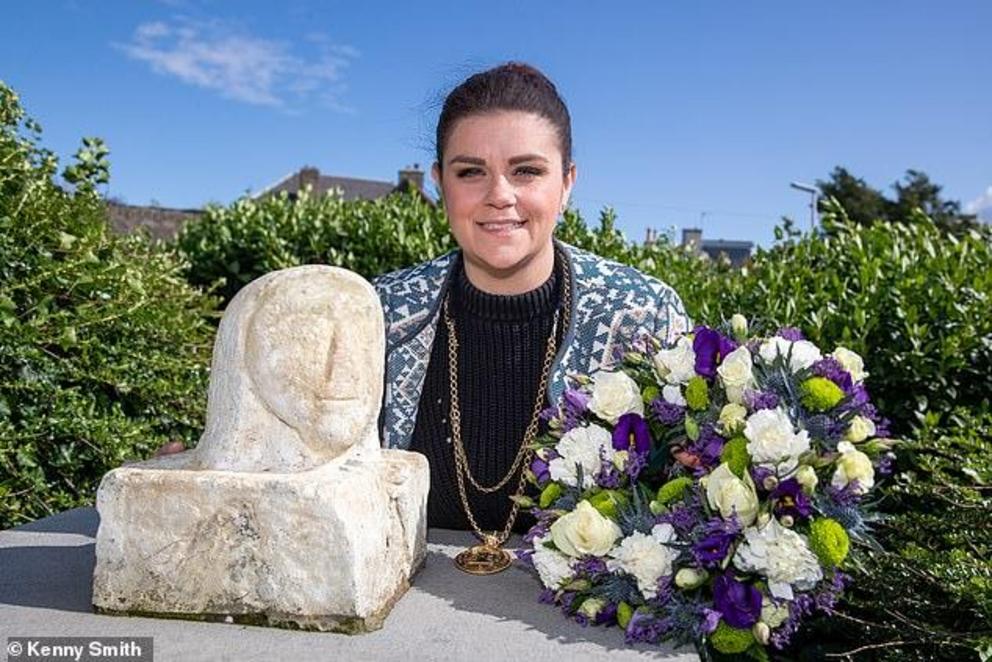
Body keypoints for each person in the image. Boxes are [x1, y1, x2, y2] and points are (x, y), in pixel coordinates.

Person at [159, 62, 691, 549]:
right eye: (470, 172)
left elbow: (685, 495)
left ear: (567, 183)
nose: (499, 194)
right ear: (439, 185)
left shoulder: (643, 317)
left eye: (527, 171)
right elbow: (297, 467)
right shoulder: (377, 315)